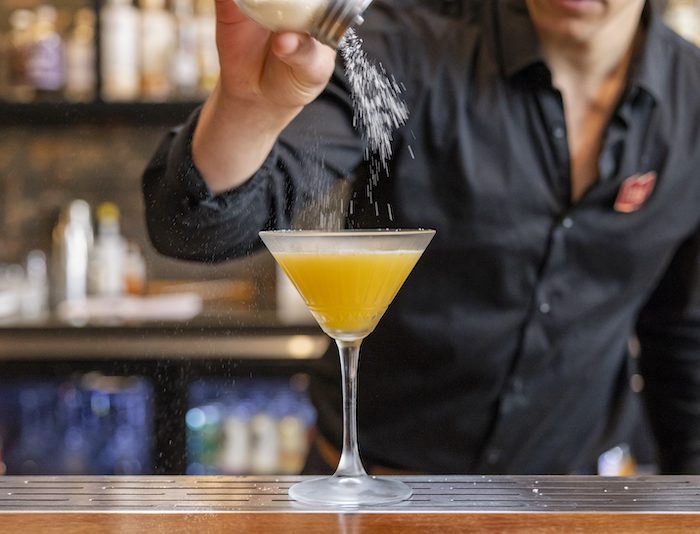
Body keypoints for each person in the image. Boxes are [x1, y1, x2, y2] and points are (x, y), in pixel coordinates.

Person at [142, 0, 700, 475]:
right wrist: (248, 110)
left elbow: (684, 345)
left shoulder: (692, 106)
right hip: (374, 496)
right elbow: (196, 229)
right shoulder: (405, 42)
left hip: (566, 504)